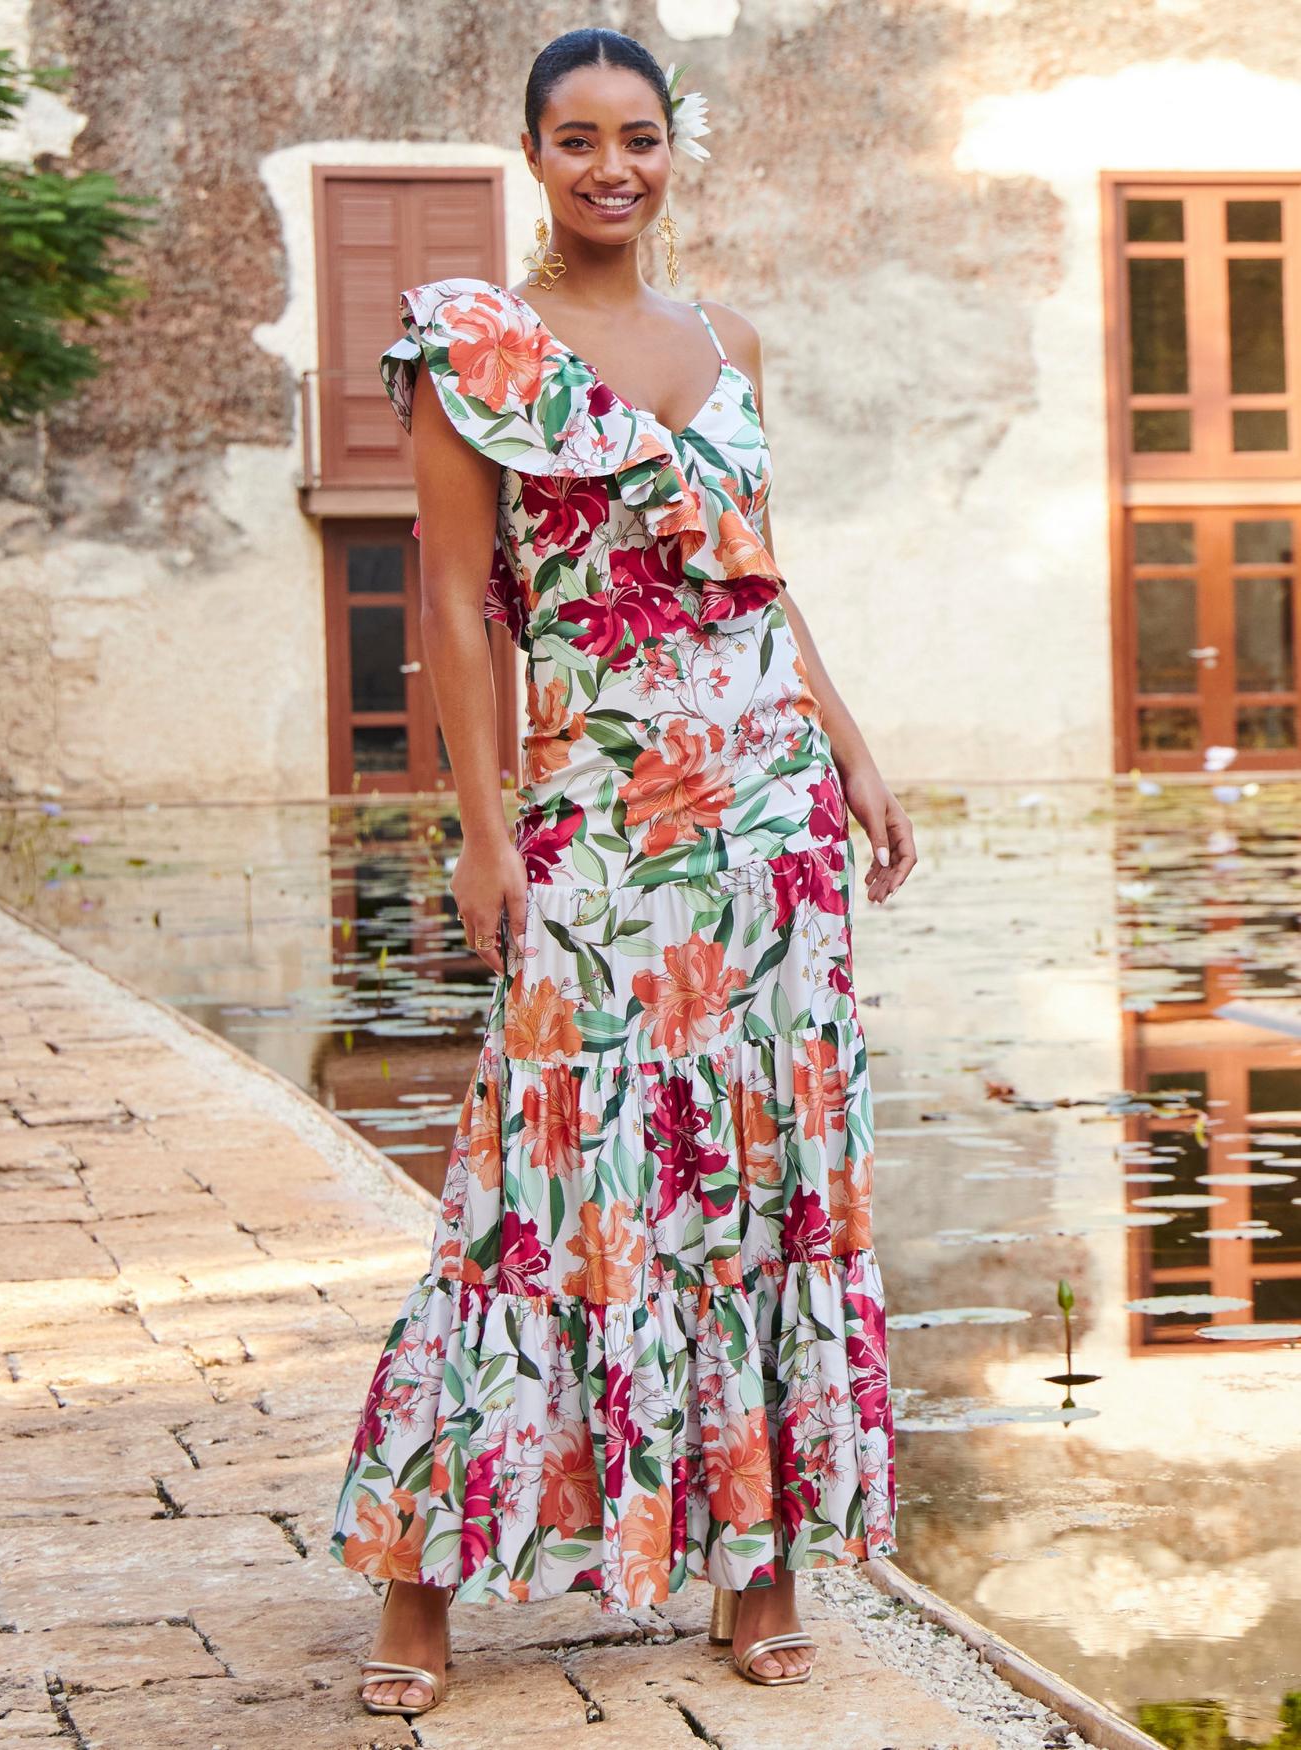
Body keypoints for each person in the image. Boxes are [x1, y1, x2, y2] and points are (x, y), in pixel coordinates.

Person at [329, 25, 916, 1719]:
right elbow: (448, 601)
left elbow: (755, 579)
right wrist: (483, 822)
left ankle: (762, 1568)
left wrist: (855, 748)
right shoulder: (474, 349)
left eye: (639, 137)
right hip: (595, 819)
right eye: (577, 138)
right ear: (533, 156)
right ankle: (417, 1580)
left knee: (769, 1185)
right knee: (530, 1184)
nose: (612, 166)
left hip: (769, 821)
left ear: (675, 151)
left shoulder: (728, 341)